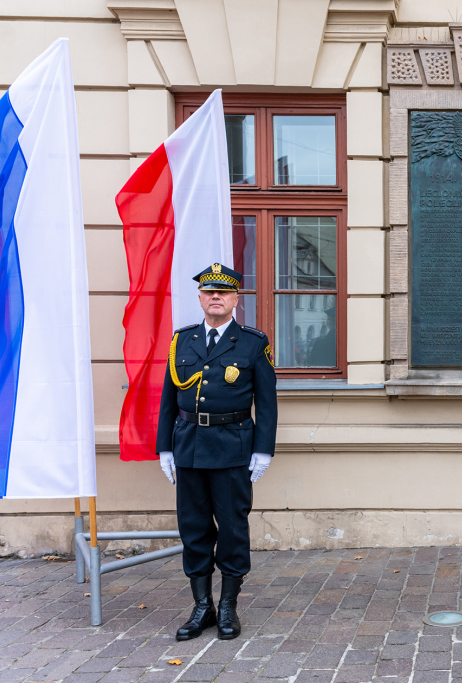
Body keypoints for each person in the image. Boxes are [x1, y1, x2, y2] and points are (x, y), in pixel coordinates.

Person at [157, 264, 278, 641]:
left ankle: (227, 604)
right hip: (189, 447)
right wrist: (164, 446)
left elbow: (267, 403)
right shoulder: (183, 341)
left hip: (232, 448)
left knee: (231, 530)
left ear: (235, 300)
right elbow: (167, 401)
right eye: (209, 292)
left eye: (223, 293)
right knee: (193, 529)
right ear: (200, 298)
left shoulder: (253, 343)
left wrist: (263, 450)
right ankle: (201, 606)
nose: (215, 298)